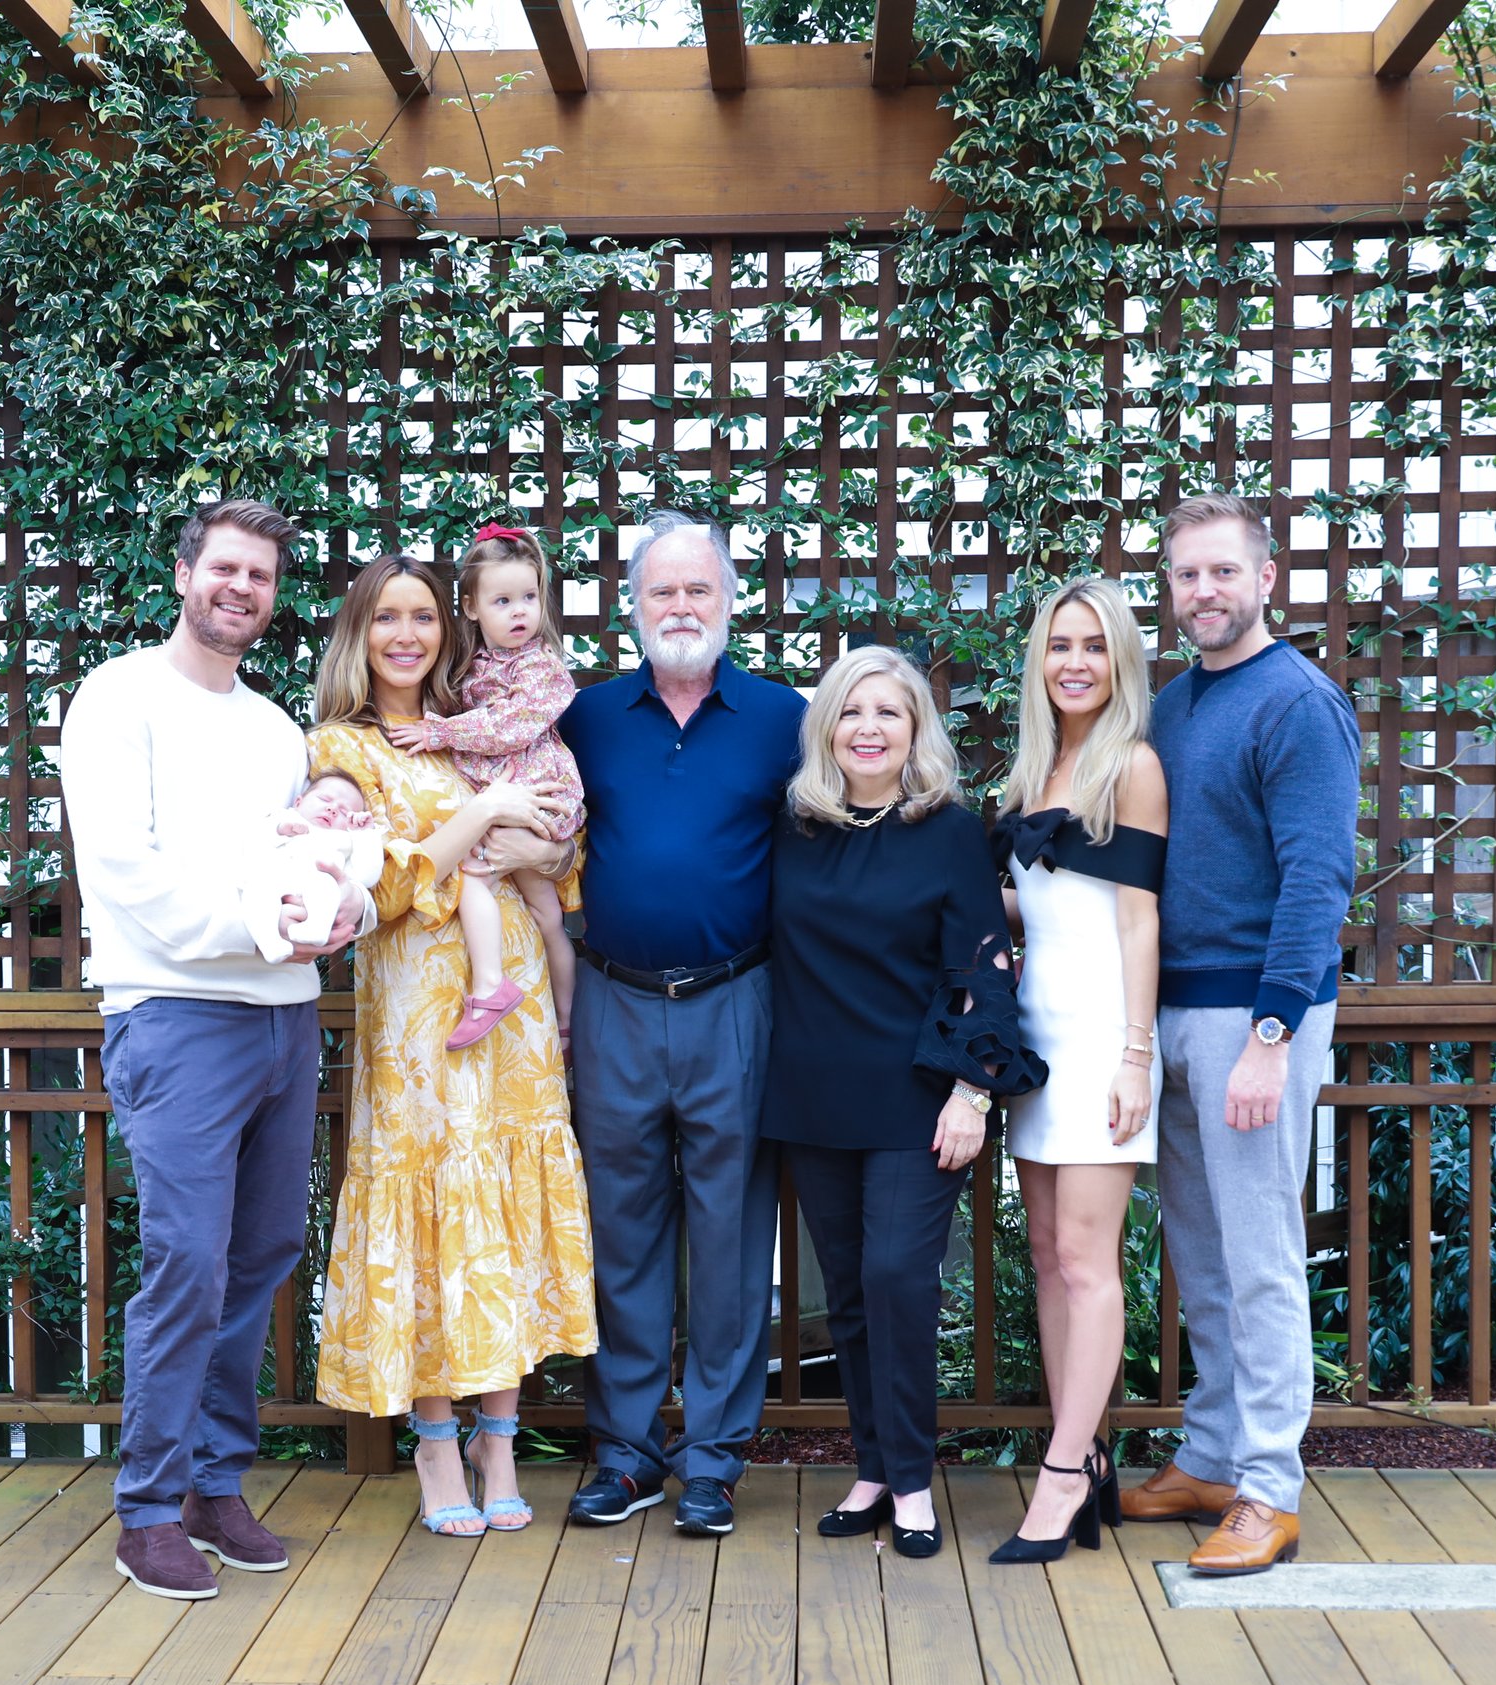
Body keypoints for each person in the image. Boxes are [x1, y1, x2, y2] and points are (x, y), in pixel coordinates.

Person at [60, 497, 370, 1602]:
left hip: (285, 1017)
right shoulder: (118, 700)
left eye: (261, 578)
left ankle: (213, 1482)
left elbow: (326, 863)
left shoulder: (274, 728)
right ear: (184, 571)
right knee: (186, 1262)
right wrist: (263, 928)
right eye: (226, 570)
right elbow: (126, 877)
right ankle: (146, 1508)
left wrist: (347, 920)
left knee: (259, 1258)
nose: (242, 590)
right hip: (178, 1014)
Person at [307, 552, 597, 1539]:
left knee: (501, 1222)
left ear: (450, 628)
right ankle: (436, 1445)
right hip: (417, 1025)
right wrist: (474, 820)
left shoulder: (481, 727)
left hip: (509, 1009)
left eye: (422, 616)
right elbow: (376, 891)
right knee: (430, 1222)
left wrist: (543, 849)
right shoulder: (345, 753)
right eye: (385, 617)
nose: (404, 635)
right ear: (360, 631)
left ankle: (499, 1440)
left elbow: (561, 860)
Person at [1120, 493, 1359, 1576]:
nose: (1203, 592)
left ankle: (1270, 1487)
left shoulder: (1297, 703)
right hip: (1170, 1008)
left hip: (1254, 1017)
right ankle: (1210, 1456)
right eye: (1185, 576)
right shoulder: (1171, 707)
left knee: (1260, 1256)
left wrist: (1270, 1033)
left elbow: (1317, 878)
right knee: (1199, 1250)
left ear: (1267, 580)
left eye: (1223, 573)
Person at [763, 646, 1042, 1559]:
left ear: (917, 729)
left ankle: (915, 1481)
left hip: (920, 1096)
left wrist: (972, 1092)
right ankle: (874, 1468)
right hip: (813, 1091)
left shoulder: (949, 831)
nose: (869, 729)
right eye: (851, 713)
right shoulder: (795, 828)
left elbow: (983, 968)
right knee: (847, 1292)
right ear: (827, 730)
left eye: (889, 713)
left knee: (897, 1279)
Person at [556, 511, 803, 1536]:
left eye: (698, 590)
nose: (680, 608)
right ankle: (626, 1454)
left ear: (730, 600)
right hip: (610, 999)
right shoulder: (587, 719)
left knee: (733, 1235)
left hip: (735, 1000)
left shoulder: (787, 718)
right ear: (633, 607)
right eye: (661, 592)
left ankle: (711, 1457)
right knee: (621, 1233)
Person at [987, 576, 1169, 1564]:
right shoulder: (1032, 770)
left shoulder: (1129, 766)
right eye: (1059, 644)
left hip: (1105, 1037)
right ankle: (1084, 1452)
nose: (1073, 662)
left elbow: (1139, 920)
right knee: (1050, 1254)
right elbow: (1039, 910)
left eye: (1093, 646)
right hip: (1038, 1040)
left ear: (1120, 661)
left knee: (1086, 1263)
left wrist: (1136, 1056)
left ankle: (1059, 1478)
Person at [390, 524, 583, 1050]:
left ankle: (495, 989)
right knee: (545, 914)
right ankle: (562, 1024)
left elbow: (510, 726)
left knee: (473, 873)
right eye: (503, 600)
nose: (520, 611)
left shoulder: (543, 667)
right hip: (504, 794)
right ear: (472, 609)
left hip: (537, 793)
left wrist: (439, 730)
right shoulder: (472, 666)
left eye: (529, 596)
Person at [240, 769, 384, 964]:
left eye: (344, 812)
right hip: (273, 880)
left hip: (315, 882)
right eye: (325, 799)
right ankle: (270, 942)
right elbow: (252, 840)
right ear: (298, 802)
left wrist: (365, 836)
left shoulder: (345, 841)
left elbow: (367, 875)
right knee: (256, 895)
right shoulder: (283, 818)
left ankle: (317, 929)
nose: (332, 809)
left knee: (324, 887)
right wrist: (279, 829)